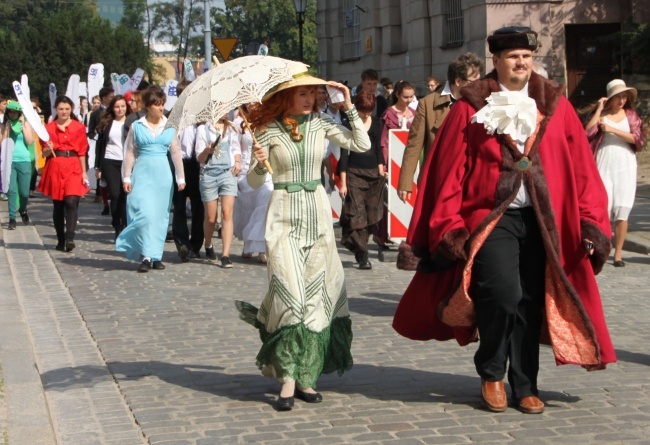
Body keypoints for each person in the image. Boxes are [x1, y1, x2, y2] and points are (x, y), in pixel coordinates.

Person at [392, 27, 616, 415]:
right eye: (513, 56)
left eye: (527, 56)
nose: (521, 62)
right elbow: (449, 168)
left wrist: (590, 220)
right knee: (502, 294)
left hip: (544, 220)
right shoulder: (470, 105)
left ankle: (525, 384)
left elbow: (581, 167)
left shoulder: (554, 103)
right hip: (492, 218)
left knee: (529, 301)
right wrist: (449, 226)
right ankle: (492, 372)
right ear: (495, 60)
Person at [235, 75, 370, 411]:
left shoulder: (322, 125)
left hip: (317, 214)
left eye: (313, 93)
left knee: (315, 297)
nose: (310, 98)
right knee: (289, 296)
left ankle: (306, 375)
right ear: (286, 98)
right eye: (302, 93)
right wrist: (257, 158)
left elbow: (362, 144)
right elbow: (251, 183)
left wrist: (348, 104)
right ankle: (287, 379)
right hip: (282, 216)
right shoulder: (266, 130)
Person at [116, 85, 185, 272]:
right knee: (144, 213)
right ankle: (145, 254)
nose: (161, 108)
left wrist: (180, 177)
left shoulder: (170, 125)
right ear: (147, 106)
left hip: (162, 176)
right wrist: (126, 177)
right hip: (143, 173)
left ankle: (155, 255)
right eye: (157, 105)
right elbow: (130, 152)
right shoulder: (137, 126)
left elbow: (176, 152)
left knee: (159, 217)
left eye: (162, 104)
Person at [398, 53, 483, 203]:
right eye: (474, 82)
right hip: (437, 180)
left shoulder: (482, 103)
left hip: (471, 181)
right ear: (458, 81)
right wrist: (405, 182)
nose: (479, 86)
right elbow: (414, 145)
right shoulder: (428, 103)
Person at [584, 79, 645, 267]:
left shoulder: (631, 115)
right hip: (604, 161)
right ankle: (604, 247)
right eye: (618, 97)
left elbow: (638, 139)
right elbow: (586, 134)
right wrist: (599, 110)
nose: (621, 101)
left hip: (625, 163)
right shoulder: (601, 115)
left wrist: (612, 129)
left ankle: (618, 254)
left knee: (622, 208)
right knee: (604, 206)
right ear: (609, 98)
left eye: (624, 97)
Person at [338, 91, 385, 269]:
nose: (365, 114)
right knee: (357, 214)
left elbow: (378, 149)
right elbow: (344, 155)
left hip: (374, 175)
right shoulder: (347, 124)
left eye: (369, 111)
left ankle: (362, 247)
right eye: (362, 110)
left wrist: (381, 167)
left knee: (371, 213)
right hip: (354, 174)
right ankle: (362, 254)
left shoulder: (377, 123)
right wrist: (343, 182)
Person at [38, 96, 90, 251]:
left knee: (71, 202)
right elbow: (44, 154)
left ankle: (70, 238)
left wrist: (84, 172)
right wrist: (48, 148)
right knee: (59, 205)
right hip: (56, 165)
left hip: (74, 166)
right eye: (61, 109)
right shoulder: (48, 128)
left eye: (67, 109)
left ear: (71, 109)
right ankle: (60, 239)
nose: (64, 112)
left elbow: (82, 151)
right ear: (56, 109)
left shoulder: (79, 127)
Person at [374, 80, 417, 247]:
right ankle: (383, 233)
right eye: (405, 96)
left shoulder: (414, 113)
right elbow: (384, 141)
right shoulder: (389, 114)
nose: (408, 100)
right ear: (397, 95)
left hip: (410, 161)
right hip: (392, 159)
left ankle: (408, 231)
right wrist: (384, 164)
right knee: (389, 198)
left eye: (411, 97)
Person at [195, 116, 241, 268]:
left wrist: (238, 161)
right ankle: (208, 244)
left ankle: (225, 255)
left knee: (227, 213)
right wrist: (207, 151)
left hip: (227, 173)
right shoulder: (203, 129)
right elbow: (199, 158)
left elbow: (235, 148)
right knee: (210, 218)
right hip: (208, 174)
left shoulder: (232, 128)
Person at [232, 106, 272, 263]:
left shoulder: (268, 120)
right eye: (251, 102)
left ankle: (262, 248)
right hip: (245, 171)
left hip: (264, 171)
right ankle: (248, 244)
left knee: (265, 203)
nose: (254, 104)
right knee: (248, 209)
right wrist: (236, 161)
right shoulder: (238, 122)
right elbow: (234, 145)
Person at [95, 95, 131, 239]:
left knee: (125, 195)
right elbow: (100, 146)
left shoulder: (132, 122)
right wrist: (98, 167)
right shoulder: (108, 123)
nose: (120, 109)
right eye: (117, 106)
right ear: (112, 108)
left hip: (128, 161)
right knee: (115, 194)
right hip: (110, 161)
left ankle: (126, 223)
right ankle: (117, 225)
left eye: (122, 106)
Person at [1, 101, 34, 230]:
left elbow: (30, 141)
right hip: (9, 161)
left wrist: (22, 124)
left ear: (19, 113)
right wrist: (6, 131)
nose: (12, 114)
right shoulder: (4, 125)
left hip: (24, 160)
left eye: (15, 111)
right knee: (12, 191)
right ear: (7, 113)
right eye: (10, 111)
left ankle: (23, 209)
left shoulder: (25, 123)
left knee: (24, 192)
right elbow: (2, 144)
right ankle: (12, 218)